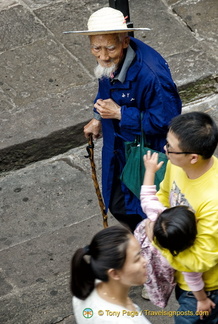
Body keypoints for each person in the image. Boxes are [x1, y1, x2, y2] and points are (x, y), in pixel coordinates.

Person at [64, 7, 182, 231]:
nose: (103, 56)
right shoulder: (110, 62)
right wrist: (98, 117)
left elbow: (168, 122)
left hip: (144, 154)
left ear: (125, 42)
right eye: (96, 48)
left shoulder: (151, 75)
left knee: (145, 211)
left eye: (110, 48)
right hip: (117, 147)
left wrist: (119, 114)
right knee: (118, 205)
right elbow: (106, 89)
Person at [148, 111, 218, 323]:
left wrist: (157, 239)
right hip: (181, 276)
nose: (165, 149)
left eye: (170, 147)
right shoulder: (176, 164)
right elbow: (163, 195)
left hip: (207, 287)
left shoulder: (214, 202)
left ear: (193, 157)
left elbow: (201, 259)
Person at [134, 151, 215, 316]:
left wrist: (150, 171)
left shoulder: (156, 215)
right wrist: (202, 300)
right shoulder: (185, 258)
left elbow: (147, 196)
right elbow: (194, 281)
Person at [70, 225, 151, 323]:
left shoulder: (83, 292)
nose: (145, 261)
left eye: (141, 253)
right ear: (114, 273)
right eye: (137, 259)